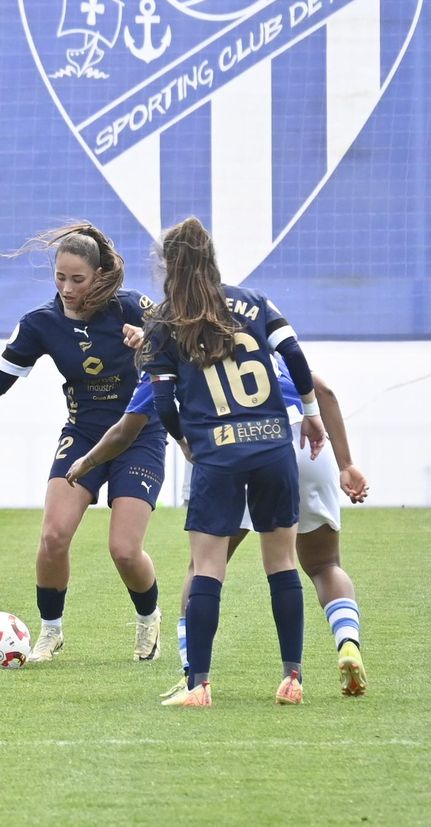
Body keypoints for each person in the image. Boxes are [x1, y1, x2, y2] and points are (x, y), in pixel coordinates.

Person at [0, 222, 165, 663]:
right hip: (83, 435)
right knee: (54, 537)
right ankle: (50, 633)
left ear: (98, 275)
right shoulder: (41, 323)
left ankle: (149, 619)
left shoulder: (132, 307)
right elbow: (0, 381)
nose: (68, 287)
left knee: (124, 550)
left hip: (140, 434)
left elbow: (182, 344)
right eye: (60, 277)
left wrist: (149, 340)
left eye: (78, 279)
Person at [66, 363, 370, 698]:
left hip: (226, 448)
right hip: (297, 439)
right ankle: (345, 644)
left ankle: (193, 677)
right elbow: (321, 390)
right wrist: (346, 464)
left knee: (203, 568)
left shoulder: (177, 337)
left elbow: (133, 424)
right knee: (323, 564)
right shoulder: (259, 323)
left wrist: (89, 461)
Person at [136, 216, 328, 707]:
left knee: (206, 568)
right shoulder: (257, 302)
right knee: (282, 562)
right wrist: (309, 413)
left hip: (216, 453)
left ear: (169, 264)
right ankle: (293, 678)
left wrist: (184, 441)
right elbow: (297, 358)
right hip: (271, 447)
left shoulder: (163, 319)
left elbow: (161, 404)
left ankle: (198, 684)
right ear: (211, 257)